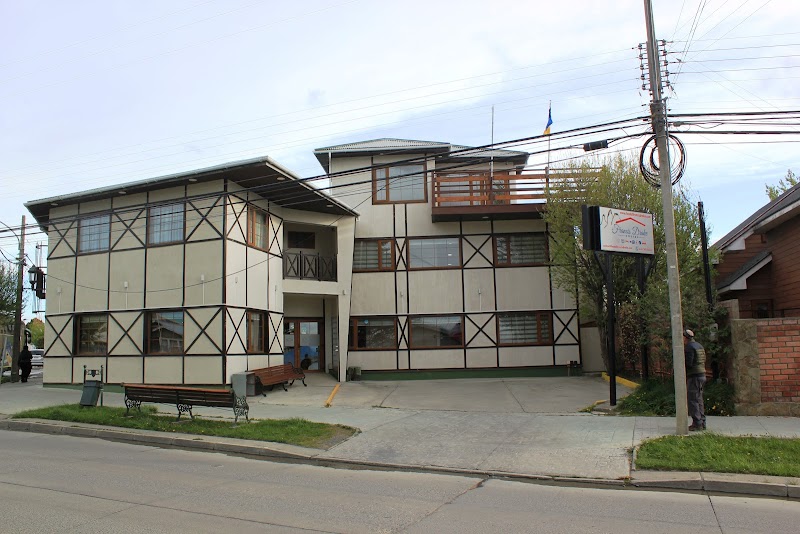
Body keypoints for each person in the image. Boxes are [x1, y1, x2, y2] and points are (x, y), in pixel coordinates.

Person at [683, 329, 706, 431]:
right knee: (699, 399)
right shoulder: (699, 345)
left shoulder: (689, 347)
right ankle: (702, 422)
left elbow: (689, 363)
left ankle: (697, 423)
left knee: (693, 400)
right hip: (702, 375)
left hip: (694, 376)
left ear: (685, 337)